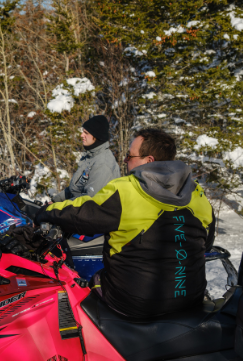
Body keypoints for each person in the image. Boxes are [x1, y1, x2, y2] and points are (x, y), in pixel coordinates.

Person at [35, 128, 215, 319]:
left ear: (149, 161)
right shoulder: (198, 195)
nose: (125, 161)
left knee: (86, 283)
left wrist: (46, 211)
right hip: (190, 299)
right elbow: (206, 243)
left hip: (135, 304)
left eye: (129, 156)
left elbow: (82, 213)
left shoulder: (126, 190)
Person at [51, 115, 120, 203]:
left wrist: (57, 209)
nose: (81, 135)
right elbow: (74, 189)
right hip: (76, 210)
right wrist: (54, 201)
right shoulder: (90, 157)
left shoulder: (103, 164)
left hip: (90, 214)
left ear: (97, 136)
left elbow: (88, 200)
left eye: (86, 133)